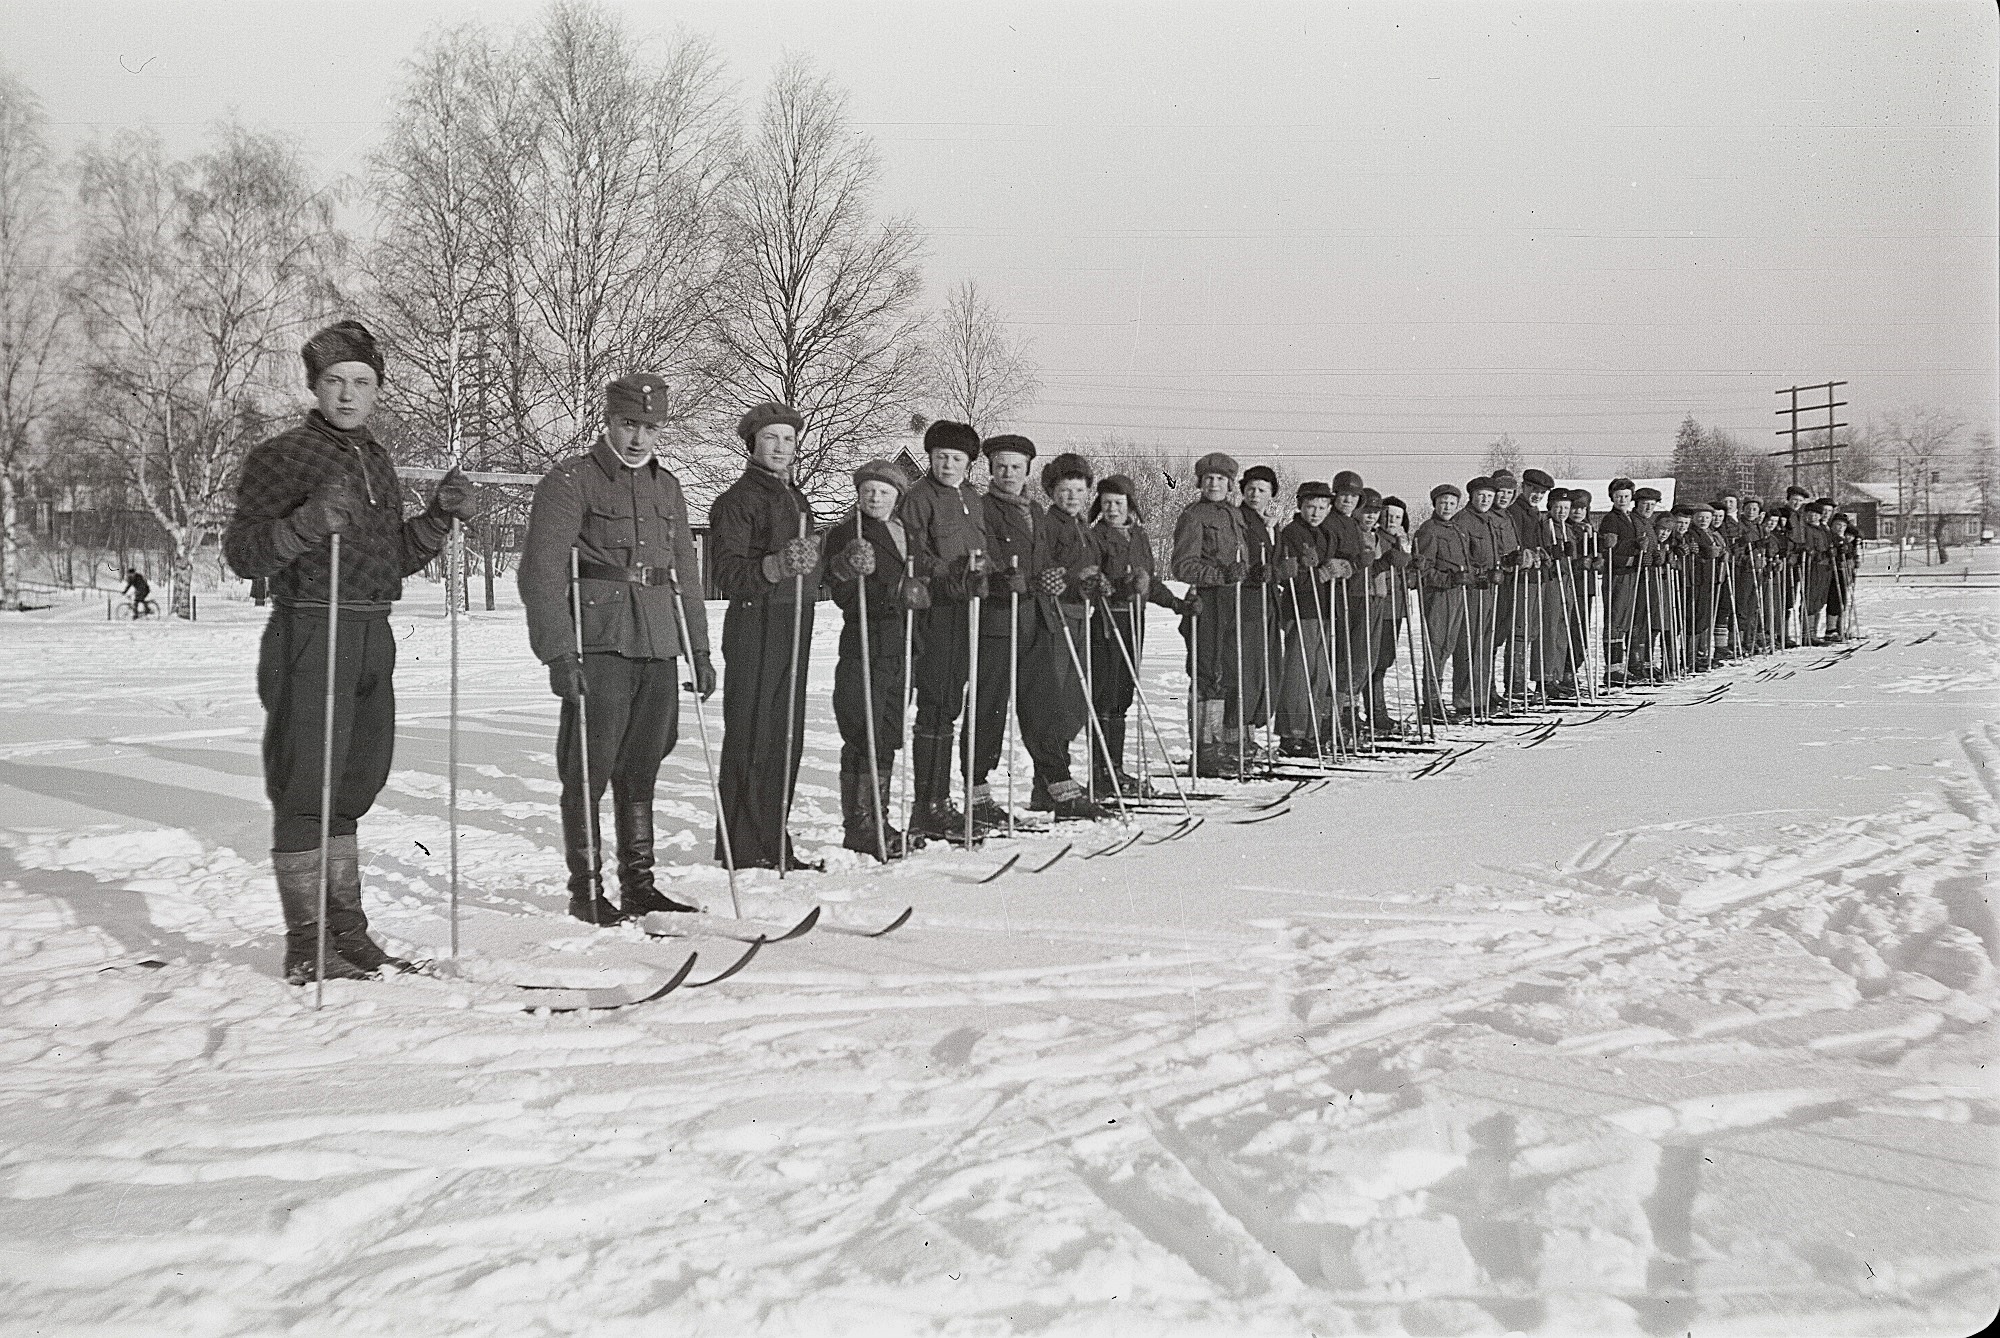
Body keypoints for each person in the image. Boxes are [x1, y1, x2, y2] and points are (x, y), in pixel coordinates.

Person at [222, 319, 476, 982]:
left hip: (372, 632)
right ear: (314, 385)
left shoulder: (377, 458)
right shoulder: (279, 458)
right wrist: (306, 523)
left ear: (376, 391)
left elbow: (389, 561)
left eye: (361, 382)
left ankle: (350, 935)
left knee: (355, 785)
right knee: (308, 787)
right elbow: (243, 553)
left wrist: (438, 520)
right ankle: (307, 946)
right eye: (334, 381)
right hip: (311, 629)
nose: (346, 394)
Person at [519, 373, 712, 925]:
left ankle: (640, 886)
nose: (638, 439)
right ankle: (587, 892)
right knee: (588, 767)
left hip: (658, 641)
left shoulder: (667, 487)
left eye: (650, 428)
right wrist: (557, 653)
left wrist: (699, 651)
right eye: (629, 424)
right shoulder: (570, 480)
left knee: (644, 764)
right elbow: (541, 572)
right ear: (608, 421)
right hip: (598, 641)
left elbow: (687, 578)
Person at [710, 401, 821, 871]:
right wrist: (774, 566)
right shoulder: (737, 501)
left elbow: (809, 566)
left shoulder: (796, 499)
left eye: (788, 440)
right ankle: (744, 844)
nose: (780, 448)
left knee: (784, 735)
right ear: (753, 443)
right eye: (771, 438)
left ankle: (772, 837)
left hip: (794, 621)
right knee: (753, 732)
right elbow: (727, 574)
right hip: (756, 624)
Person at [898, 421, 990, 839]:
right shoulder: (919, 497)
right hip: (933, 610)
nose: (948, 465)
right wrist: (952, 572)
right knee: (934, 702)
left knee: (952, 701)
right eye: (940, 458)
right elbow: (914, 552)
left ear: (969, 464)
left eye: (956, 459)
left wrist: (981, 574)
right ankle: (926, 805)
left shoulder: (972, 498)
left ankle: (942, 800)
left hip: (966, 610)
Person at [824, 459, 913, 861]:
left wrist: (918, 590)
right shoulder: (848, 532)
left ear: (896, 497)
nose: (875, 498)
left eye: (884, 492)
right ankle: (859, 823)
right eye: (868, 491)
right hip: (865, 637)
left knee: (888, 727)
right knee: (864, 726)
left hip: (902, 641)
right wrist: (845, 569)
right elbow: (837, 586)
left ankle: (880, 816)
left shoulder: (902, 532)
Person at [1026, 452, 1114, 819]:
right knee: (1058, 699)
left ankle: (1044, 786)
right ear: (1052, 491)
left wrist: (1097, 582)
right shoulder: (1049, 525)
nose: (1072, 496)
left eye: (1079, 490)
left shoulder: (1083, 527)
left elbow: (1089, 568)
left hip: (1080, 615)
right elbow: (1045, 567)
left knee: (1076, 699)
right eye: (1065, 490)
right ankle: (1055, 782)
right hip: (1054, 617)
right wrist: (1067, 579)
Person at [1089, 473, 1190, 795]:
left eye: (1118, 503)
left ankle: (1114, 768)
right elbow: (1094, 580)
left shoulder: (1139, 537)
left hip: (1135, 621)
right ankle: (1102, 772)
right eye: (1106, 503)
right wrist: (1120, 587)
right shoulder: (1097, 536)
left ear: (1130, 505)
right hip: (1107, 622)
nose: (1112, 509)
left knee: (1123, 696)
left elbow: (1150, 582)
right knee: (1105, 696)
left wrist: (1176, 603)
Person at [966, 433, 1040, 830]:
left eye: (1016, 467)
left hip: (1031, 620)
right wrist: (999, 578)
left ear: (1027, 470)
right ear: (990, 470)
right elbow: (981, 556)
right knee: (989, 705)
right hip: (997, 619)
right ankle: (977, 790)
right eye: (1001, 467)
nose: (1008, 474)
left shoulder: (1036, 511)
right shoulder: (982, 507)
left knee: (1036, 704)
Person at [1172, 452, 1249, 776]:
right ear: (1200, 483)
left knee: (1226, 672)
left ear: (1230, 484)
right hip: (1205, 602)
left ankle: (1217, 744)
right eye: (1209, 479)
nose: (1214, 484)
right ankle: (1204, 751)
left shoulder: (1234, 514)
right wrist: (1219, 575)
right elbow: (1182, 565)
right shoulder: (1194, 515)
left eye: (1221, 479)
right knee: (1207, 674)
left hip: (1232, 601)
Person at [1274, 480, 1336, 753]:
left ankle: (1312, 731)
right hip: (1301, 608)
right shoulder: (1292, 532)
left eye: (1322, 507)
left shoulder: (1325, 533)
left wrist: (1336, 568)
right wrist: (1300, 568)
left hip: (1324, 608)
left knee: (1318, 673)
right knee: (1298, 672)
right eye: (1311, 506)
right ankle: (1292, 733)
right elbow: (1285, 572)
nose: (1316, 512)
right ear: (1300, 505)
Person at [1236, 464, 1284, 761]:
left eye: (1262, 490)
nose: (1255, 494)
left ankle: (1252, 729)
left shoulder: (1270, 523)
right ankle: (1242, 733)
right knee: (1250, 668)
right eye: (1251, 488)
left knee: (1268, 668)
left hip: (1268, 602)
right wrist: (1257, 573)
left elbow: (1274, 559)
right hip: (1248, 601)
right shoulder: (1239, 519)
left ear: (1271, 495)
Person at [1452, 477, 1505, 712]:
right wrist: (1478, 575)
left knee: (1484, 642)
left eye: (1489, 496)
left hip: (1490, 588)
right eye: (1481, 495)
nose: (1485, 500)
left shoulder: (1489, 520)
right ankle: (1465, 699)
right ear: (1472, 496)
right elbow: (1460, 558)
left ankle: (1481, 695)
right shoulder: (1463, 520)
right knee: (1469, 643)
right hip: (1472, 589)